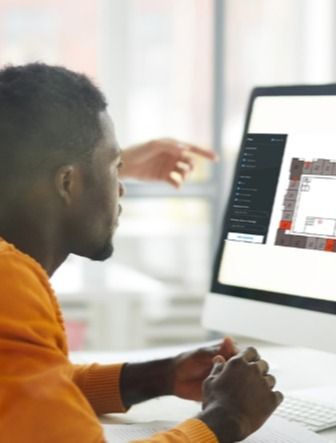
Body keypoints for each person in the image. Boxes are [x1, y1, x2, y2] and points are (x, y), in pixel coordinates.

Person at [0, 62, 283, 442]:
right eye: (116, 166)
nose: (122, 187)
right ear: (67, 182)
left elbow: (24, 393)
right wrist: (227, 419)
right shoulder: (9, 281)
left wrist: (158, 376)